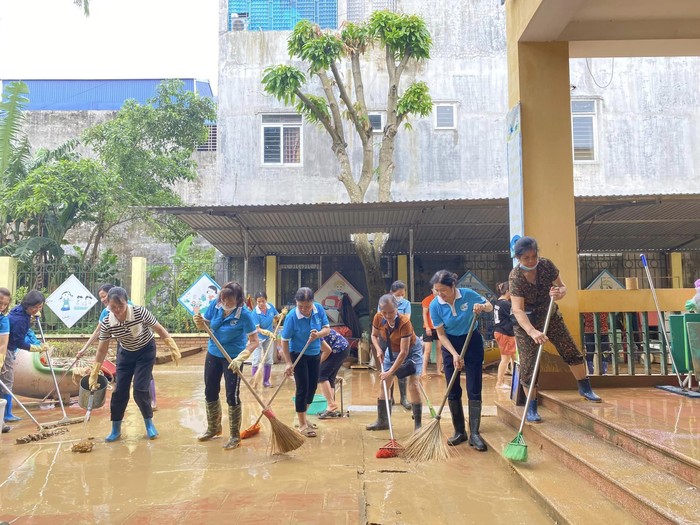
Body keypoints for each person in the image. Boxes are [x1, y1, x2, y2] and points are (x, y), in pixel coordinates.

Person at [509, 236, 601, 424]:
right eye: (526, 258)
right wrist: (532, 332)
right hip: (526, 323)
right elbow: (517, 309)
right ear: (518, 258)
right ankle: (532, 406)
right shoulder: (515, 277)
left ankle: (585, 388)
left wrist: (560, 293)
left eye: (534, 256)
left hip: (550, 315)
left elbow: (562, 287)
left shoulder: (546, 265)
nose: (531, 261)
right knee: (529, 363)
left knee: (570, 349)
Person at [89, 287, 181, 442]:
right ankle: (115, 429)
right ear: (108, 306)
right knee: (119, 392)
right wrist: (95, 371)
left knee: (139, 389)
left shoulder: (140, 312)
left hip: (145, 352)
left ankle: (149, 424)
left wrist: (172, 346)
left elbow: (158, 328)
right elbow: (102, 348)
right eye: (113, 307)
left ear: (127, 302)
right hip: (125, 354)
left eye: (121, 306)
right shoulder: (107, 321)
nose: (117, 310)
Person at [429, 270, 492, 451]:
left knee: (474, 386)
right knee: (452, 387)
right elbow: (440, 334)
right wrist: (455, 354)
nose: (440, 294)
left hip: (471, 339)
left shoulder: (469, 295)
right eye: (436, 290)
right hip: (450, 343)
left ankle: (474, 433)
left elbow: (488, 306)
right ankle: (459, 432)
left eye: (443, 290)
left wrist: (482, 307)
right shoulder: (435, 306)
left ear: (453, 286)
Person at [193, 281, 259, 450]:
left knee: (232, 396)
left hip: (232, 358)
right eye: (223, 298)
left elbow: (254, 342)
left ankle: (235, 436)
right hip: (213, 353)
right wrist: (199, 322)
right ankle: (214, 428)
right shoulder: (215, 306)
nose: (225, 303)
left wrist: (241, 358)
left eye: (230, 300)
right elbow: (206, 325)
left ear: (238, 299)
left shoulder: (244, 315)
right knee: (210, 391)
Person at [81, 284, 159, 409]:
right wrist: (84, 350)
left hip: (143, 346)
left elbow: (152, 325)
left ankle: (151, 402)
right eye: (101, 298)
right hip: (123, 345)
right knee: (122, 377)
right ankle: (120, 407)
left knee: (144, 376)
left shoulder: (131, 307)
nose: (103, 300)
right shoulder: (106, 312)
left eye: (104, 296)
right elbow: (98, 332)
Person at [367, 294, 424, 432]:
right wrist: (379, 349)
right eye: (384, 312)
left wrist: (390, 372)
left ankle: (418, 425)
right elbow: (374, 336)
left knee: (413, 385)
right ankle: (383, 421)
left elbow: (404, 352)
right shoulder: (378, 317)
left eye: (391, 312)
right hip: (390, 350)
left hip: (411, 351)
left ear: (397, 308)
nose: (387, 315)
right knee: (384, 384)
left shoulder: (405, 322)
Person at [281, 287, 330, 438]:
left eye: (307, 306)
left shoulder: (319, 309)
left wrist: (318, 335)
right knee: (302, 388)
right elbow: (284, 341)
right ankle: (302, 424)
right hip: (298, 354)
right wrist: (288, 362)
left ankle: (302, 417)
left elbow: (326, 329)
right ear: (296, 303)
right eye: (300, 306)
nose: (304, 309)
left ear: (312, 303)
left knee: (312, 388)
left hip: (314, 353)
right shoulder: (291, 317)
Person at [2, 291, 47, 422]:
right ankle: (6, 413)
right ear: (27, 305)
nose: (37, 310)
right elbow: (18, 342)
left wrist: (34, 312)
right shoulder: (20, 320)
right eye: (34, 307)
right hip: (6, 351)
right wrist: (36, 348)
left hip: (6, 347)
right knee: (7, 382)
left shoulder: (18, 310)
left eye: (40, 307)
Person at [378, 280, 412, 410]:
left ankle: (403, 397)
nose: (400, 297)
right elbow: (381, 319)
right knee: (387, 371)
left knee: (401, 368)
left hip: (401, 338)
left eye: (402, 294)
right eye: (398, 294)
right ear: (391, 293)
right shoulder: (384, 303)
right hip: (386, 339)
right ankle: (389, 397)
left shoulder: (406, 304)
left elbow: (406, 318)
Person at [317, 328, 350, 419]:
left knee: (321, 375)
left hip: (338, 349)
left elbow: (327, 351)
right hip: (342, 348)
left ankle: (331, 404)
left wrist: (317, 363)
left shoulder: (313, 333)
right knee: (329, 377)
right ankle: (331, 409)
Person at [251, 291, 279, 387]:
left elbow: (276, 317)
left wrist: (280, 316)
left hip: (269, 338)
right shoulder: (255, 313)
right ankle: (254, 381)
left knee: (268, 359)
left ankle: (266, 381)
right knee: (256, 359)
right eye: (259, 302)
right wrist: (265, 332)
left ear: (266, 300)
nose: (261, 304)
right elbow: (257, 328)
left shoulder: (270, 307)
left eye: (263, 301)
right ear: (256, 302)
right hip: (257, 338)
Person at [494, 282, 516, 390]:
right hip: (505, 333)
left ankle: (515, 377)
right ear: (507, 291)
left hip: (502, 332)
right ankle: (499, 383)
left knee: (513, 357)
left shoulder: (499, 302)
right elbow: (515, 317)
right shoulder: (505, 304)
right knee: (505, 359)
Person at [0, 287, 13, 432]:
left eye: (5, 304)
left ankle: (1, 422)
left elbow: (3, 345)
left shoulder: (3, 321)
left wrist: (0, 362)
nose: (2, 307)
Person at [421, 288, 440, 378]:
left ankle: (438, 371)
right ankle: (423, 371)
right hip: (428, 328)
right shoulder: (427, 300)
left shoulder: (442, 299)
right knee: (427, 350)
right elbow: (424, 314)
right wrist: (427, 326)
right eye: (435, 289)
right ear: (432, 289)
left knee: (439, 349)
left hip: (439, 327)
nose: (437, 291)